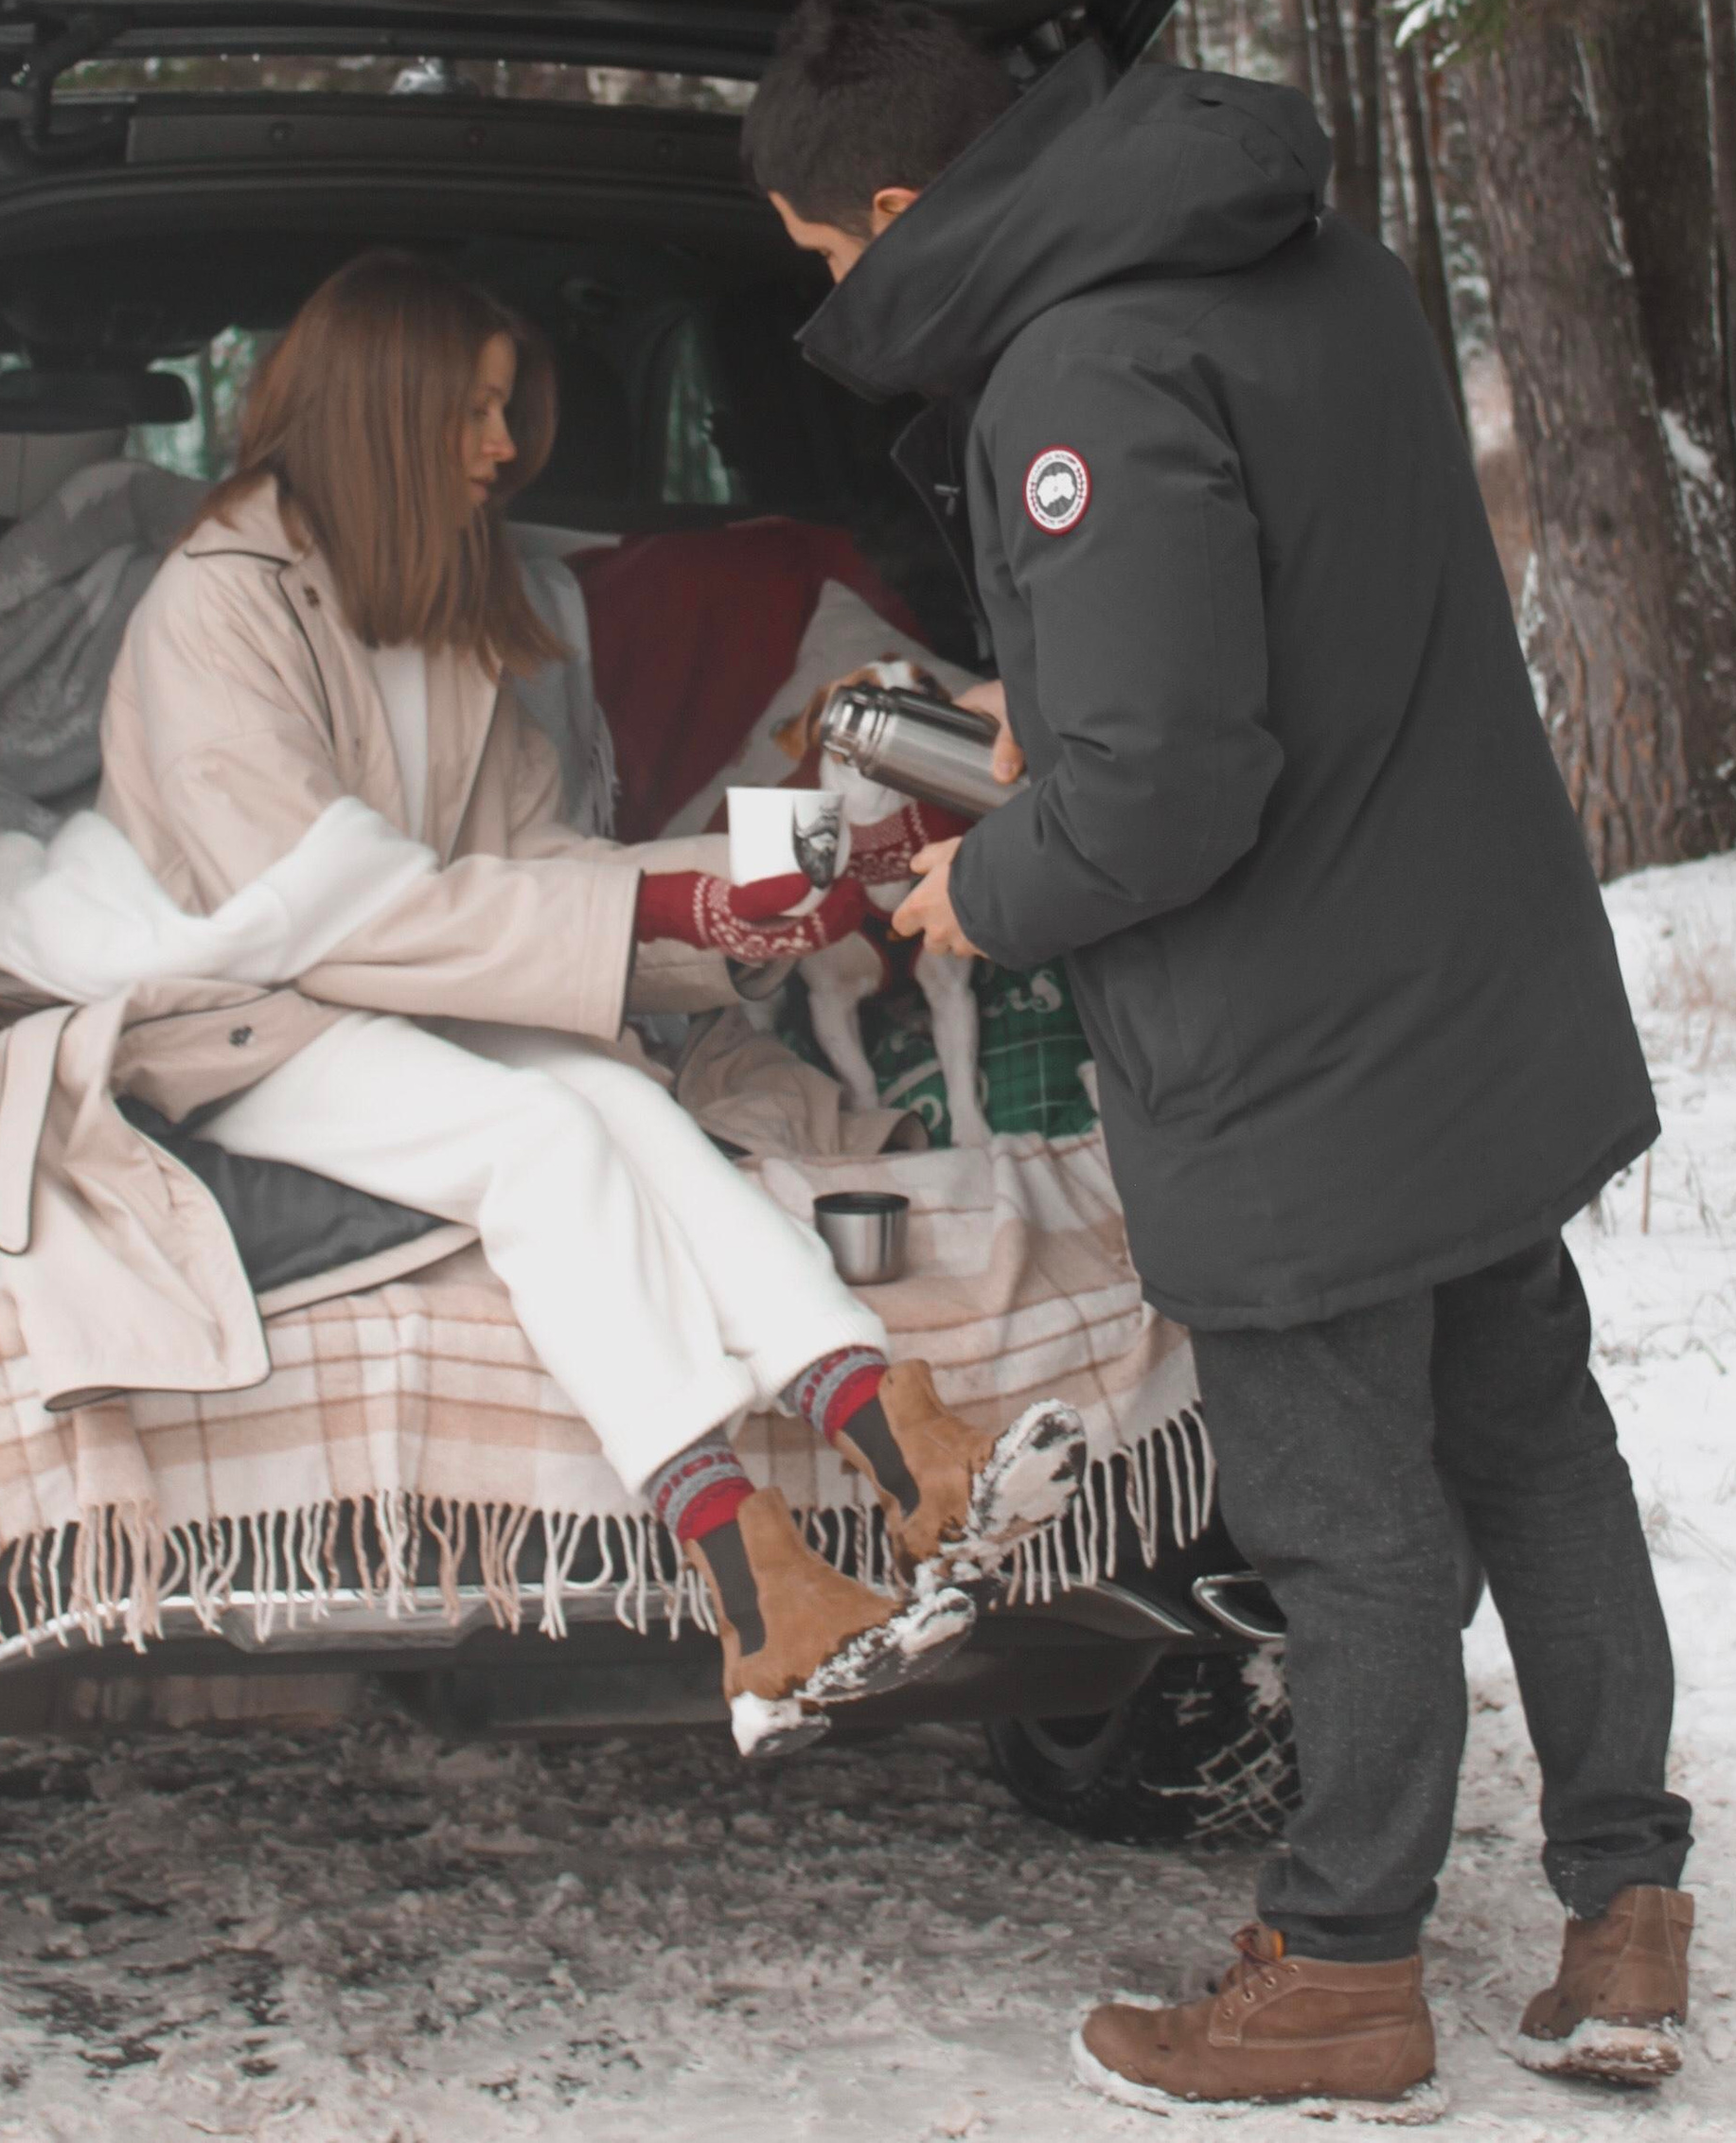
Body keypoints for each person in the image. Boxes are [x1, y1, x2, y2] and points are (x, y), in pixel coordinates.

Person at [748, 0, 1694, 2109]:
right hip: (1473, 976)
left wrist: (975, 890)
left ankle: (1342, 1966)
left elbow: (1166, 797)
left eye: (825, 259)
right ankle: (1625, 1905)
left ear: (894, 204)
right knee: (1537, 1447)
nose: (837, 300)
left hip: (1297, 1048)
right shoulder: (1308, 260)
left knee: (1347, 1523)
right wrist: (1050, 705)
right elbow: (1303, 601)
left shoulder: (1076, 366)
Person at [96, 246, 1089, 1758]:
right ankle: (750, 1583)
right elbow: (327, 913)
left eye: (509, 410)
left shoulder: (434, 590)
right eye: (477, 411)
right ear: (381, 410)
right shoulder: (216, 610)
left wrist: (787, 874)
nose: (506, 448)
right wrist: (669, 910)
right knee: (542, 1142)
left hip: (411, 984)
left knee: (622, 1090)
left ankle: (901, 1443)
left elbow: (533, 862)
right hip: (247, 1011)